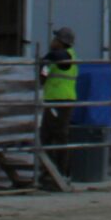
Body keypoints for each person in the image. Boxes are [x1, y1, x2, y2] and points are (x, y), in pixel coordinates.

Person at [37, 26, 80, 158]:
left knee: (59, 134)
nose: (52, 41)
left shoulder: (68, 54)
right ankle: (48, 171)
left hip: (62, 100)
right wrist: (43, 68)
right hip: (52, 100)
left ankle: (60, 171)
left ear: (61, 41)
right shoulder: (54, 59)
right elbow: (44, 75)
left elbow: (61, 58)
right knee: (46, 135)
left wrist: (47, 57)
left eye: (55, 39)